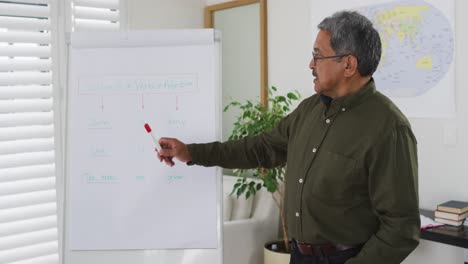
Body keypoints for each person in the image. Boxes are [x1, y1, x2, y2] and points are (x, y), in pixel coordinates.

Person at [158, 10, 420, 264]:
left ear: (348, 65)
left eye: (318, 56)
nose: (310, 64)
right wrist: (191, 152)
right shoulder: (309, 110)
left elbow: (401, 228)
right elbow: (260, 148)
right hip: (298, 255)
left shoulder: (389, 128)